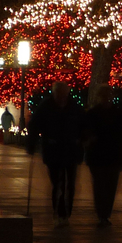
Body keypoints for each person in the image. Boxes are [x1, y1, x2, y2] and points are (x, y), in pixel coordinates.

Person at [31, 82, 84, 225]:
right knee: (58, 183)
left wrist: (81, 143)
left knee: (70, 184)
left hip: (70, 150)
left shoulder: (74, 107)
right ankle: (60, 211)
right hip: (53, 150)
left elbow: (83, 126)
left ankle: (66, 212)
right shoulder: (46, 106)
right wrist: (32, 143)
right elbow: (35, 125)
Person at [83, 85, 122, 226]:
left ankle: (104, 214)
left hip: (109, 155)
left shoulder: (115, 114)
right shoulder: (98, 114)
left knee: (108, 186)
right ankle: (102, 214)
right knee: (103, 186)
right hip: (101, 155)